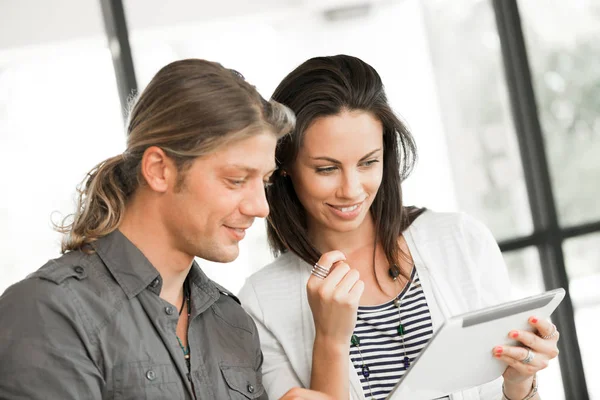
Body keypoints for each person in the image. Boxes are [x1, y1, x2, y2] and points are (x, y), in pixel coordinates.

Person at [0, 59, 332, 400]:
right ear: (159, 170)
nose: (260, 207)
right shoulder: (49, 311)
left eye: (263, 182)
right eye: (236, 180)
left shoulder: (232, 322)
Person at [238, 55, 560, 400]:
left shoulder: (460, 241)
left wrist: (520, 383)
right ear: (284, 165)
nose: (351, 189)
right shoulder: (261, 303)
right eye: (326, 169)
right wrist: (330, 340)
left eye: (368, 162)